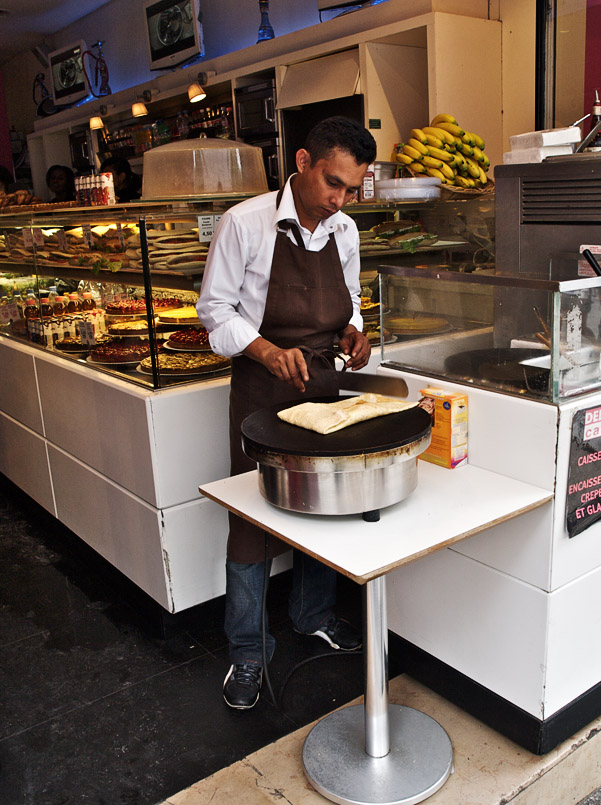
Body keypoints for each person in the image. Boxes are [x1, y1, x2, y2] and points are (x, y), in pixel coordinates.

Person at [197, 116, 376, 710]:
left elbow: (349, 297)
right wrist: (268, 351)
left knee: (321, 504)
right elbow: (215, 311)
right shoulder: (244, 224)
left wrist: (355, 331)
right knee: (252, 518)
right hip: (262, 391)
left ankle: (313, 614)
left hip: (324, 383)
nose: (340, 200)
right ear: (302, 162)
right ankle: (248, 651)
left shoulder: (345, 229)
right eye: (333, 183)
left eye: (352, 189)